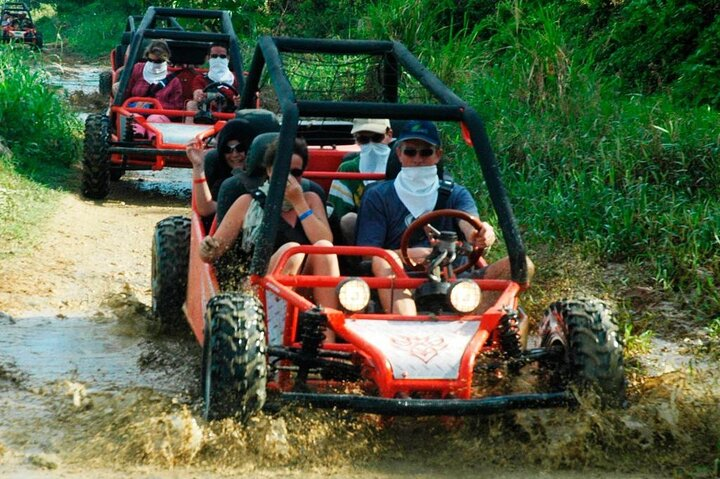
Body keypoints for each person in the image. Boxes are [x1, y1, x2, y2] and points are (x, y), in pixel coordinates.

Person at [355, 120, 534, 318]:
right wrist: (412, 255)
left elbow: (468, 223)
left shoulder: (455, 194)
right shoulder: (378, 195)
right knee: (383, 262)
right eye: (410, 152)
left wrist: (480, 233)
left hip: (457, 282)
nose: (417, 159)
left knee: (522, 263)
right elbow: (370, 255)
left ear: (437, 155)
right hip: (402, 280)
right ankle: (409, 325)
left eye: (425, 152)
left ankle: (475, 326)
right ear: (399, 154)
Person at [200, 138, 340, 337]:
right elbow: (213, 252)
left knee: (323, 248)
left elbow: (326, 241)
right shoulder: (247, 202)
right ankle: (274, 337)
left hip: (303, 292)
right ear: (269, 171)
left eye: (296, 173)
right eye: (283, 171)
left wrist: (299, 203)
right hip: (256, 285)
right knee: (292, 252)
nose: (289, 179)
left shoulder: (310, 199)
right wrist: (206, 247)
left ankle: (329, 342)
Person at [327, 118, 392, 245]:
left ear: (389, 135)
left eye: (376, 138)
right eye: (364, 139)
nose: (371, 144)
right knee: (349, 220)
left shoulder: (400, 166)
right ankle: (360, 261)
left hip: (397, 227)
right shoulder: (348, 169)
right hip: (362, 234)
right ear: (356, 140)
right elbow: (338, 215)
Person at [186, 118, 254, 217]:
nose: (234, 154)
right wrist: (198, 166)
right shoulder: (225, 186)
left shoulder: (266, 177)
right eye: (227, 149)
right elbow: (206, 210)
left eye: (240, 148)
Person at [185, 42, 240, 121]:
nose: (218, 59)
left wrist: (238, 100)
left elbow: (245, 96)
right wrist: (200, 95)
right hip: (207, 113)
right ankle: (191, 132)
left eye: (222, 56)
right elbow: (197, 94)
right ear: (208, 58)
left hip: (231, 113)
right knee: (191, 104)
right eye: (214, 56)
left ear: (228, 58)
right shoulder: (201, 78)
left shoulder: (237, 78)